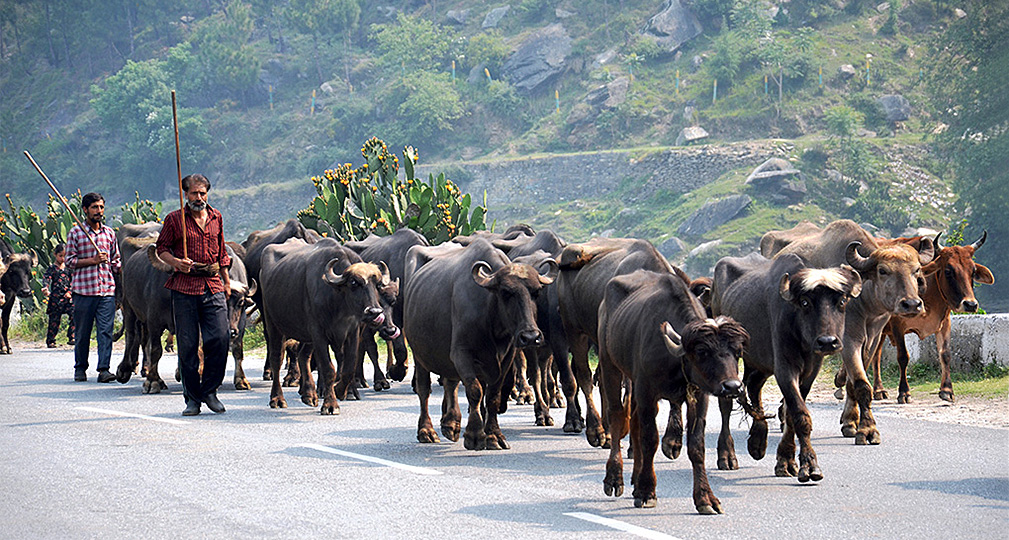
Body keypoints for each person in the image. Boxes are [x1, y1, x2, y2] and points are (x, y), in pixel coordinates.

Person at [155, 174, 232, 416]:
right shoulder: (174, 219)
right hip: (185, 287)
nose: (199, 198)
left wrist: (227, 281)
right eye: (194, 193)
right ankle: (192, 399)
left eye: (203, 193)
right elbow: (161, 249)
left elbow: (221, 252)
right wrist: (177, 262)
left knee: (220, 338)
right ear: (185, 194)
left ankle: (210, 391)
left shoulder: (216, 216)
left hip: (212, 284)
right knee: (187, 346)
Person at [65, 192, 120, 383]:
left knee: (105, 332)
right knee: (82, 333)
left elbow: (116, 262)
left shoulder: (110, 234)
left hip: (107, 291)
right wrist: (93, 260)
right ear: (85, 210)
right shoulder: (76, 233)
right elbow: (69, 262)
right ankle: (80, 368)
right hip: (83, 291)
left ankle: (104, 369)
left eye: (101, 207)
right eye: (95, 207)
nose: (99, 211)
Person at [42, 243, 75, 348]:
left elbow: (73, 281)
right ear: (55, 255)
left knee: (75, 313)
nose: (63, 258)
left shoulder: (69, 268)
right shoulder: (52, 268)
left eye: (65, 256)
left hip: (67, 298)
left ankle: (72, 337)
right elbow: (47, 278)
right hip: (55, 298)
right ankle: (51, 340)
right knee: (54, 321)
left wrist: (70, 292)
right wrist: (45, 288)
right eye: (60, 256)